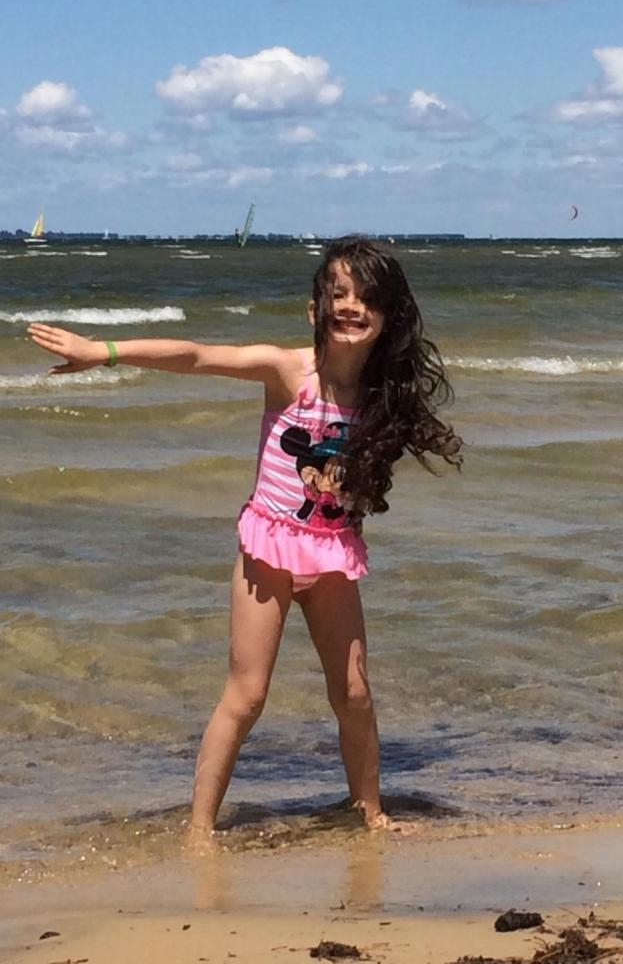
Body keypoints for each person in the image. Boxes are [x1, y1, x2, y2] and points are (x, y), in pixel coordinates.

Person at [27, 237, 463, 834]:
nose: (350, 306)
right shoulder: (288, 371)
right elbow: (198, 356)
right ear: (314, 310)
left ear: (389, 316)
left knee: (355, 694)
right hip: (268, 551)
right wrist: (104, 351)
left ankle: (371, 813)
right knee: (248, 695)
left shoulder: (382, 395)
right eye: (338, 294)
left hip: (332, 553)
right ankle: (199, 830)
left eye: (367, 297)